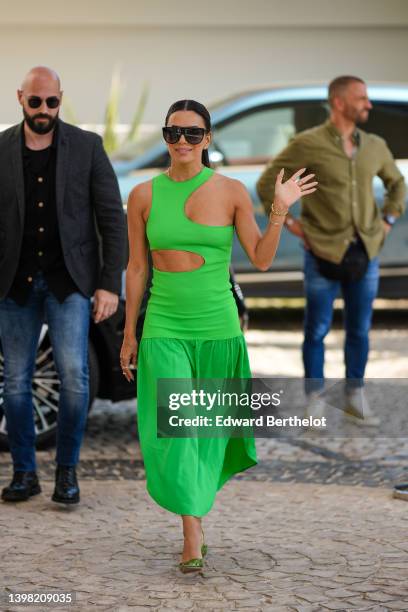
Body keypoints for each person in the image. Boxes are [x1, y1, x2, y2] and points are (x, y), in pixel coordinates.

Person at [120, 99, 317, 572]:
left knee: (203, 431)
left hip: (217, 326)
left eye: (193, 134)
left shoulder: (230, 191)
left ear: (207, 139)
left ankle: (194, 517)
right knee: (177, 429)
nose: (182, 142)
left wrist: (279, 210)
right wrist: (130, 333)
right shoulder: (143, 195)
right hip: (165, 323)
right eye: (174, 133)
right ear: (166, 138)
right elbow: (137, 266)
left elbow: (262, 258)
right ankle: (192, 531)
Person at [0, 67, 126, 504]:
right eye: (35, 101)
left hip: (69, 282)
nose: (43, 110)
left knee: (75, 378)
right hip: (13, 285)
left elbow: (112, 219)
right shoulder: (1, 148)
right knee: (15, 382)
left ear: (60, 100)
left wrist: (109, 283)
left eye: (51, 102)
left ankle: (66, 472)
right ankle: (24, 473)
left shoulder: (87, 147)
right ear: (20, 98)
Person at [256, 75, 406, 425]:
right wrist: (291, 224)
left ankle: (355, 395)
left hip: (365, 252)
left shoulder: (374, 146)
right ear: (339, 102)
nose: (368, 104)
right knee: (316, 330)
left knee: (359, 328)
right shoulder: (307, 144)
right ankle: (315, 400)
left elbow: (397, 184)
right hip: (321, 251)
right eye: (361, 98)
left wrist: (387, 221)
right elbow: (268, 184)